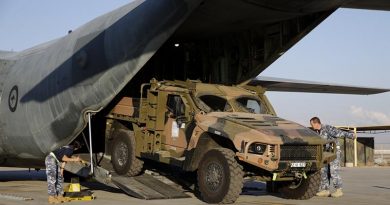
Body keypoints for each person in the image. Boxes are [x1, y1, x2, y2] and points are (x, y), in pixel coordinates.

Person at [310, 117, 355, 198]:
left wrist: (351, 135)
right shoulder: (316, 132)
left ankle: (338, 190)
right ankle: (325, 190)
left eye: (312, 124)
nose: (311, 126)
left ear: (316, 123)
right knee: (323, 171)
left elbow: (339, 133)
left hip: (334, 153)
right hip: (324, 153)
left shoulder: (327, 128)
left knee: (334, 171)